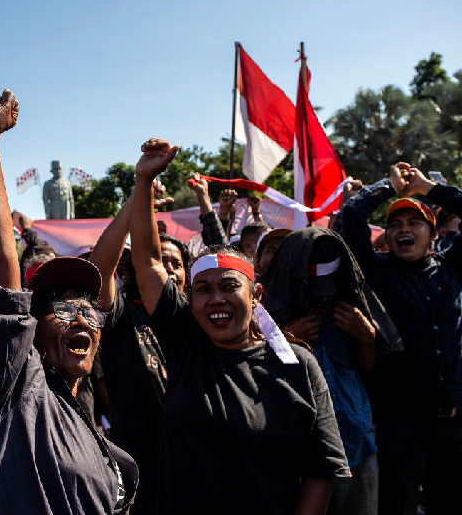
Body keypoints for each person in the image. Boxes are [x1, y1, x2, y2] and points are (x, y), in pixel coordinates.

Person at [131, 138, 349, 514]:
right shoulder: (186, 345)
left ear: (256, 295)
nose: (216, 298)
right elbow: (149, 262)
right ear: (190, 301)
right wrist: (143, 182)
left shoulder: (297, 364)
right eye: (203, 289)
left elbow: (321, 470)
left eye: (230, 286)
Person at [0, 90, 138, 514]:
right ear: (29, 330)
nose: (81, 319)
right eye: (64, 309)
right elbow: (1, 264)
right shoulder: (13, 387)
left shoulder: (87, 427)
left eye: (88, 310)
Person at [336, 162, 462, 514]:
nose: (404, 229)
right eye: (395, 224)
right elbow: (351, 215)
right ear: (388, 236)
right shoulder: (376, 272)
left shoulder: (452, 268)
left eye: (414, 222)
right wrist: (388, 185)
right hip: (402, 427)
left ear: (434, 234)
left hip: (455, 423)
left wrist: (427, 188)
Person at [262, 228, 395, 515]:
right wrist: (281, 338)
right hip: (297, 453)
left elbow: (363, 368)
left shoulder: (348, 307)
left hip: (355, 444)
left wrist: (367, 338)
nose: (323, 299)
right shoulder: (264, 314)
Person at [89, 186, 172, 514]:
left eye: (176, 263)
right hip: (140, 477)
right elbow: (98, 273)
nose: (168, 270)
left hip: (192, 471)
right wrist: (137, 199)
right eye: (161, 262)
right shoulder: (124, 319)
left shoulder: (203, 327)